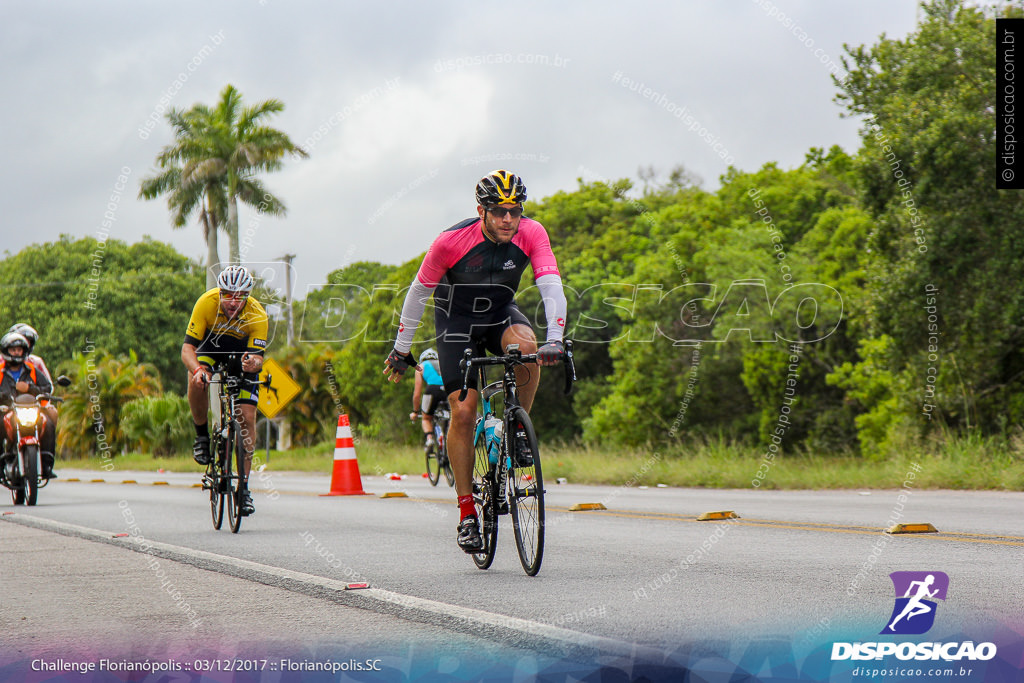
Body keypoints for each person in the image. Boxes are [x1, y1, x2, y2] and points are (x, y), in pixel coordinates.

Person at [383, 170, 567, 553]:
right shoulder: (450, 242)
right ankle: (467, 514)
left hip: (500, 313)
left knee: (529, 347)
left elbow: (551, 284)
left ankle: (516, 431)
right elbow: (417, 296)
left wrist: (556, 339)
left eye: (515, 211)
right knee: (464, 411)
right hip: (456, 323)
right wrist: (402, 349)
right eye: (499, 211)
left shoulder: (532, 233)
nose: (508, 220)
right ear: (481, 210)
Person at [181, 265, 267, 516]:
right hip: (210, 348)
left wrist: (254, 363)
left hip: (243, 354)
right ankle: (202, 436)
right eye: (227, 294)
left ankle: (244, 488)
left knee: (247, 417)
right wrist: (198, 370)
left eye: (239, 295)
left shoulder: (257, 314)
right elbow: (187, 350)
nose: (233, 301)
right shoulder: (206, 303)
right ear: (219, 292)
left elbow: (259, 359)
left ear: (247, 296)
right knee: (195, 378)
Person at [0, 332, 56, 478]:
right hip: (7, 410)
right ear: (6, 351)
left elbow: (47, 387)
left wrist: (31, 388)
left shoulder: (32, 369)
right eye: (13, 350)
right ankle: (1, 466)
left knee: (48, 424)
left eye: (19, 349)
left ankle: (47, 463)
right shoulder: (0, 371)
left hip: (30, 410)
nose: (17, 353)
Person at [409, 348, 446, 454]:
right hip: (448, 391)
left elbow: (417, 394)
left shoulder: (420, 367)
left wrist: (415, 412)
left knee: (426, 418)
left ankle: (429, 440)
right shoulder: (442, 363)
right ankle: (447, 434)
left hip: (432, 390)